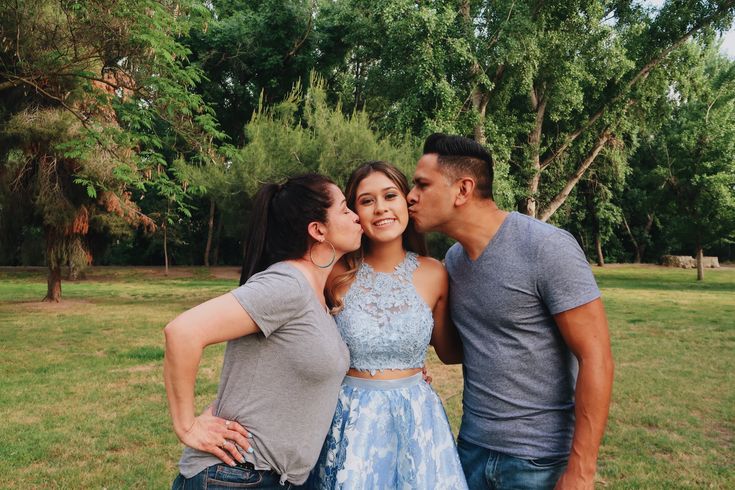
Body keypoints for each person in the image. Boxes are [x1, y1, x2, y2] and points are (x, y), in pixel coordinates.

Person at [406, 134, 615, 490]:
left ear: (462, 190)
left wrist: (581, 470)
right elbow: (458, 350)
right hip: (471, 449)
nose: (411, 196)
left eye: (422, 185)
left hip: (537, 461)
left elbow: (596, 357)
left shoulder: (545, 247)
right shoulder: (454, 261)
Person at [164, 173, 363, 489]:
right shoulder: (287, 285)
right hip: (239, 476)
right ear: (318, 229)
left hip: (268, 478)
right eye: (344, 209)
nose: (356, 217)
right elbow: (183, 331)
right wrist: (187, 426)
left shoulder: (314, 296)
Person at [308, 161, 469, 489]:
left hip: (416, 417)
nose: (381, 208)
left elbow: (451, 352)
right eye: (367, 201)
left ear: (406, 201)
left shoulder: (435, 273)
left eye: (390, 196)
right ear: (354, 213)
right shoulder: (333, 273)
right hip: (349, 418)